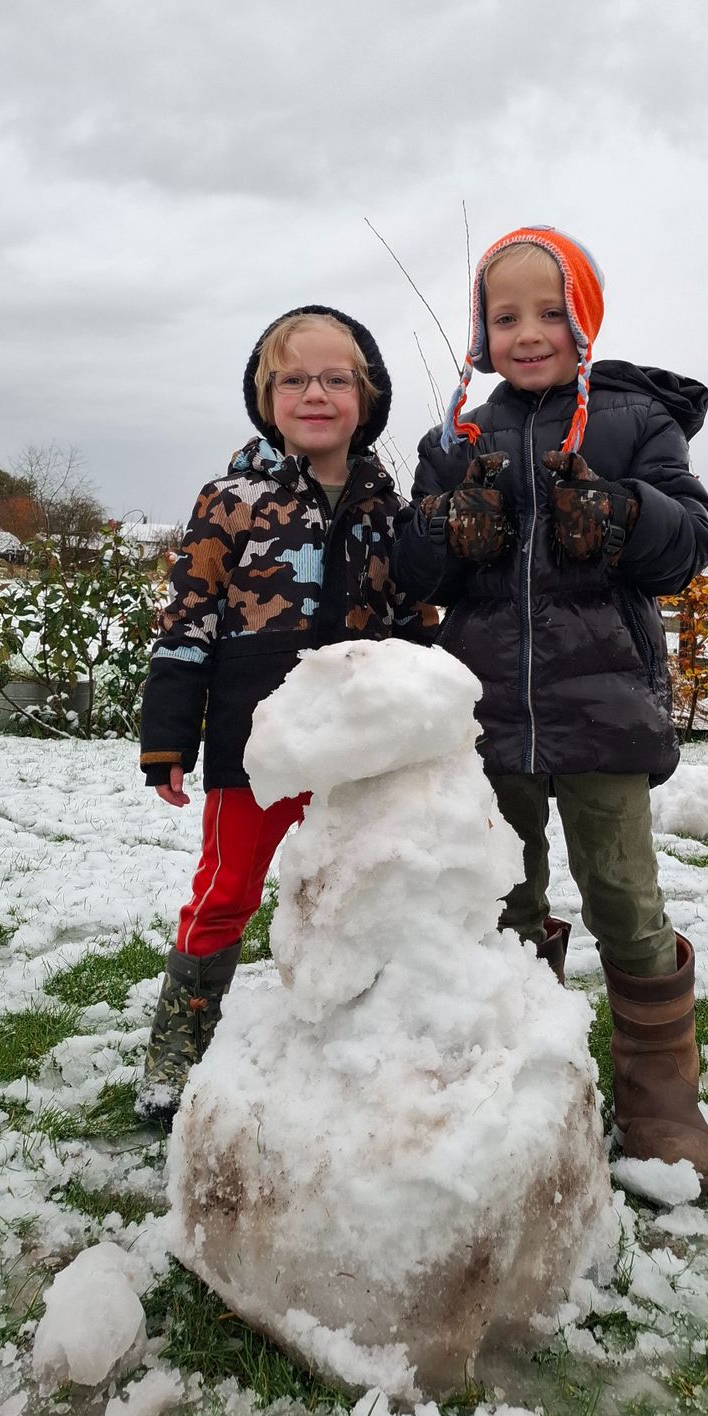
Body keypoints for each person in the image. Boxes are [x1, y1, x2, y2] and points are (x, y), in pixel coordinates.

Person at [393, 227, 708, 1189]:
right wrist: (446, 528)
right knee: (504, 898)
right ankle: (524, 1077)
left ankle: (661, 1103)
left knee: (623, 897)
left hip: (605, 709)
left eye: (550, 312)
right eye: (505, 315)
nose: (527, 332)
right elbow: (417, 569)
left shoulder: (632, 423)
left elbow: (688, 541)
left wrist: (623, 514)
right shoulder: (457, 440)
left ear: (585, 320)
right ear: (480, 332)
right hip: (489, 716)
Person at [137, 306, 433, 1122]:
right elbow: (186, 617)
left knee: (353, 885)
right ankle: (181, 1043)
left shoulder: (386, 507)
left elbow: (411, 619)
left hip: (355, 749)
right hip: (252, 744)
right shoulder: (231, 497)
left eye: (336, 378)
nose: (315, 392)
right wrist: (168, 734)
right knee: (227, 888)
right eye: (294, 378)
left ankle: (347, 1034)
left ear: (365, 398)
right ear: (265, 397)